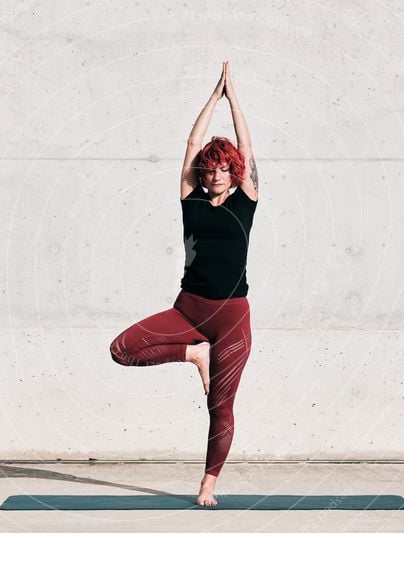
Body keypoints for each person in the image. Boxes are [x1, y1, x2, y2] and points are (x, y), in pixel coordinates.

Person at [109, 61, 259, 506]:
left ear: (234, 173)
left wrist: (235, 102)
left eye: (221, 169)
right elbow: (193, 143)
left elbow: (247, 148)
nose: (213, 175)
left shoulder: (246, 201)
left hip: (232, 318)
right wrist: (213, 97)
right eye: (208, 169)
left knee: (221, 409)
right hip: (188, 310)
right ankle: (193, 353)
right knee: (122, 350)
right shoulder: (189, 200)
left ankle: (208, 484)